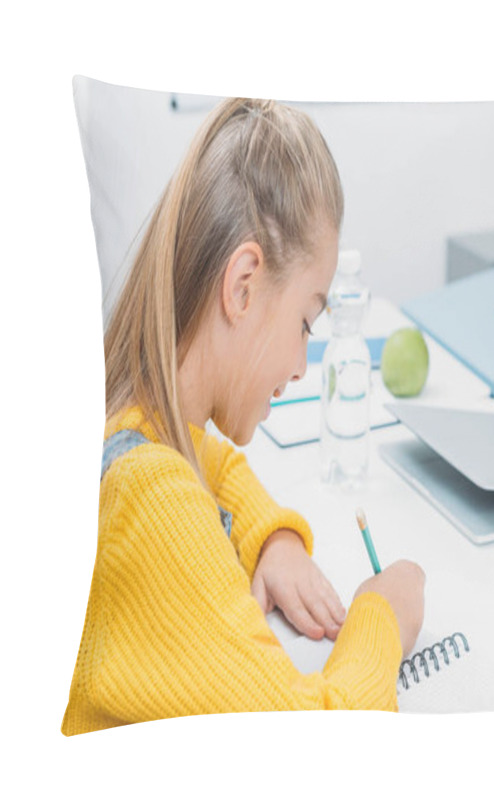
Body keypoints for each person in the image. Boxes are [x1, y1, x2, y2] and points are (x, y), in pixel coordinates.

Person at [61, 98, 425, 735]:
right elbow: (313, 745)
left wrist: (274, 540)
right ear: (243, 285)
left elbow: (213, 459)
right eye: (305, 322)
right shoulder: (153, 507)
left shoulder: (136, 423)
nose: (301, 366)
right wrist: (383, 618)